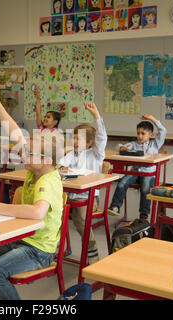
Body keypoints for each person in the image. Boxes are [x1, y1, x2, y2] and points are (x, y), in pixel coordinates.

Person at [0, 76, 64, 300]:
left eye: (30, 152)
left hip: (38, 249)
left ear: (46, 160)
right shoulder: (37, 169)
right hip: (21, 238)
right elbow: (14, 130)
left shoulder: (47, 179)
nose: (24, 153)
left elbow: (37, 212)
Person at [58, 102, 107, 265]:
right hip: (70, 196)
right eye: (74, 137)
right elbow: (60, 165)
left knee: (79, 214)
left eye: (79, 138)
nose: (75, 141)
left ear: (90, 142)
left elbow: (102, 137)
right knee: (50, 209)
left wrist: (96, 116)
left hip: (90, 197)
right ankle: (53, 248)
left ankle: (91, 247)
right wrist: (62, 167)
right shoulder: (72, 154)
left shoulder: (96, 154)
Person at [108, 114, 167, 221]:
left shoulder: (155, 144)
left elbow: (163, 130)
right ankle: (115, 206)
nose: (139, 136)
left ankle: (144, 214)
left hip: (148, 173)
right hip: (135, 172)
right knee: (122, 183)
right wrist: (123, 147)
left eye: (143, 133)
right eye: (138, 133)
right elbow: (118, 146)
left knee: (145, 188)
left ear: (151, 135)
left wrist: (152, 119)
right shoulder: (134, 144)